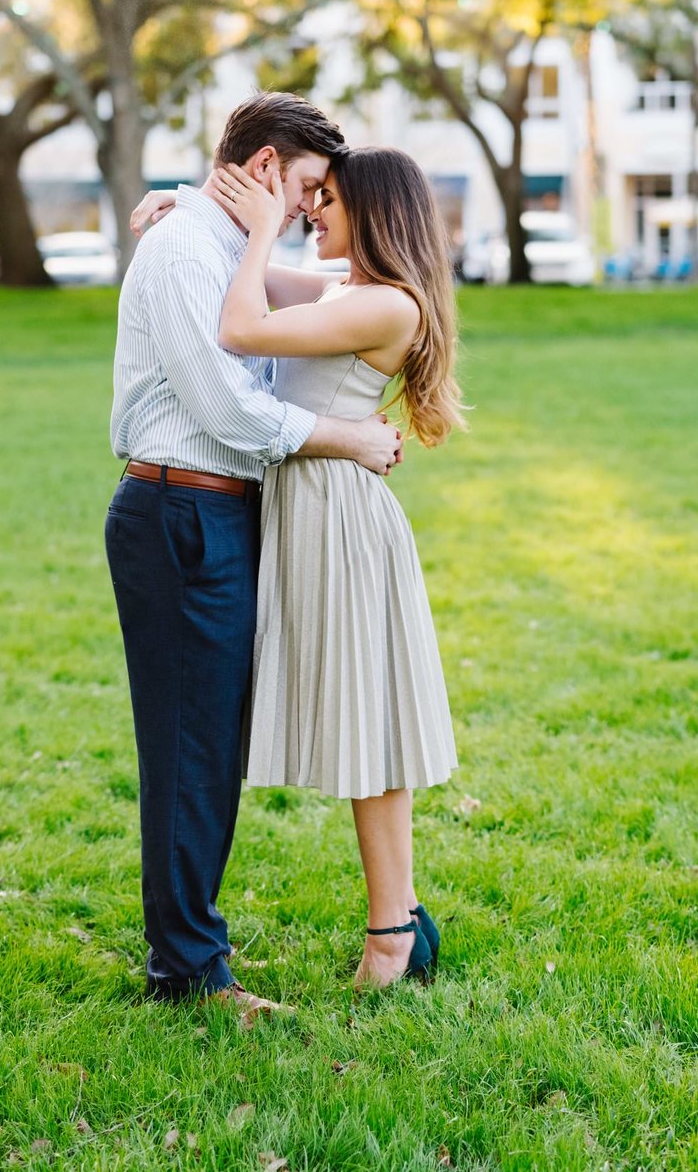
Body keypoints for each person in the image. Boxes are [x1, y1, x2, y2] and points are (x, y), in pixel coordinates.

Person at [104, 93, 404, 1024]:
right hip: (181, 509)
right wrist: (346, 437)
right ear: (266, 169)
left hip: (214, 512)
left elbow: (320, 314)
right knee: (192, 746)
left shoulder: (219, 246)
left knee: (208, 744)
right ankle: (190, 971)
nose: (316, 208)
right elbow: (229, 409)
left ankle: (190, 951)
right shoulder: (189, 250)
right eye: (308, 186)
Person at [202, 148, 463, 990]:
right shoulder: (350, 291)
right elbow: (267, 283)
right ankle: (402, 921)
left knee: (369, 726)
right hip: (313, 508)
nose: (314, 208)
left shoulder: (386, 304)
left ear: (376, 213)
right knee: (361, 721)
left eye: (331, 201)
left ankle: (393, 933)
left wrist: (261, 233)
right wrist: (194, 216)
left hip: (338, 519)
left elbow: (241, 324)